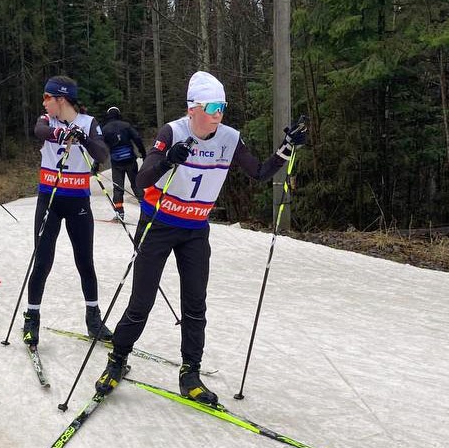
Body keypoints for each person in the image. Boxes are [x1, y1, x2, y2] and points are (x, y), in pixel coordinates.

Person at [95, 71, 306, 404]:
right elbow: (141, 182)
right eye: (211, 107)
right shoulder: (173, 132)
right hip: (158, 225)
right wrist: (168, 159)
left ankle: (190, 373)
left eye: (222, 106)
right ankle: (117, 361)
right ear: (192, 108)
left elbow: (260, 172)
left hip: (195, 230)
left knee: (195, 305)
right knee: (141, 303)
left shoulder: (229, 137)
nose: (218, 114)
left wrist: (286, 149)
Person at [22, 76, 112, 347]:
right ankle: (32, 318)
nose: (43, 102)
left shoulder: (88, 122)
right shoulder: (46, 120)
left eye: (47, 98)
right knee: (43, 259)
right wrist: (60, 133)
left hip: (78, 203)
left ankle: (93, 319)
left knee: (85, 260)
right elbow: (40, 131)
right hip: (49, 199)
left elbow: (102, 155)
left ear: (60, 100)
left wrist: (82, 137)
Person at [101, 106, 147, 222]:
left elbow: (102, 148)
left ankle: (119, 213)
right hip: (130, 160)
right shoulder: (126, 125)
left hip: (116, 163)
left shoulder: (105, 129)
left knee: (118, 187)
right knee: (136, 185)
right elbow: (137, 138)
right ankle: (147, 212)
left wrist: (96, 164)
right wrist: (143, 153)